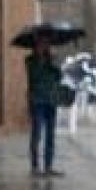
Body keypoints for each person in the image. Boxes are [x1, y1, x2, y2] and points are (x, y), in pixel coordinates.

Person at [26, 35, 63, 176]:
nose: (44, 46)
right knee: (37, 134)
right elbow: (33, 78)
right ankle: (35, 166)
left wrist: (53, 62)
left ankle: (48, 166)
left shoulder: (52, 61)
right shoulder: (30, 61)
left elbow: (59, 76)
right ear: (35, 46)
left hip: (51, 100)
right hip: (37, 101)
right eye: (41, 44)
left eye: (46, 44)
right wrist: (42, 61)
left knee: (50, 134)